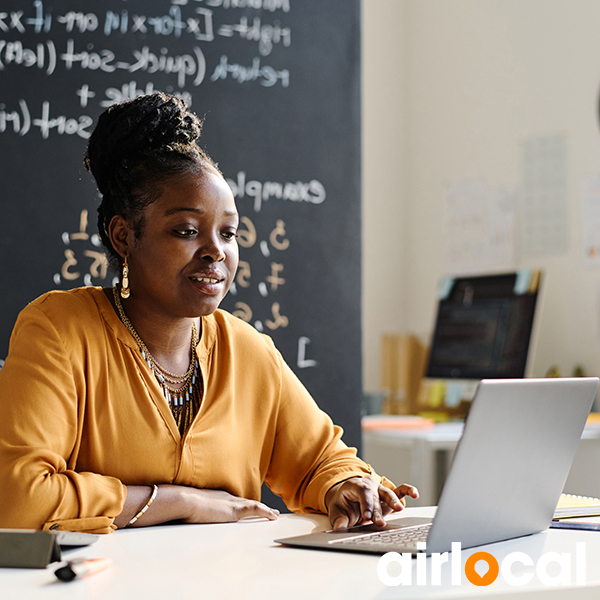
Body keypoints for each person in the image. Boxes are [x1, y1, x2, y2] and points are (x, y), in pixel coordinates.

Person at [0, 92, 417, 534]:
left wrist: (345, 485)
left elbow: (321, 461)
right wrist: (181, 502)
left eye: (229, 233)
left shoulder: (248, 350)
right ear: (123, 236)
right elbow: (18, 498)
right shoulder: (59, 330)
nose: (215, 252)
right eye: (186, 231)